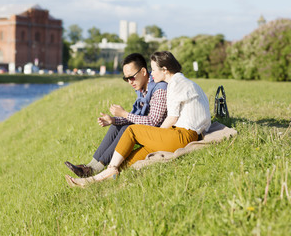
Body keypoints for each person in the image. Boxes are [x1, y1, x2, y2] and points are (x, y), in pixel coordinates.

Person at [65, 51, 211, 187]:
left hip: (182, 135)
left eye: (153, 69)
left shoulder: (173, 85)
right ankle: (92, 180)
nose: (151, 73)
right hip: (178, 135)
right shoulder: (180, 82)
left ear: (165, 70)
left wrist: (153, 133)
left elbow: (171, 119)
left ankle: (107, 169)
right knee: (127, 163)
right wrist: (116, 120)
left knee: (131, 130)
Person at [65, 53, 167, 177]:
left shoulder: (159, 88)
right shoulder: (143, 90)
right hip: (148, 130)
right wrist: (113, 120)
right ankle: (90, 166)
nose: (130, 82)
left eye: (132, 77)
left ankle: (95, 170)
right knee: (116, 126)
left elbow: (153, 122)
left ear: (144, 71)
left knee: (126, 129)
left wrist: (124, 114)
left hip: (161, 135)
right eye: (126, 79)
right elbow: (136, 118)